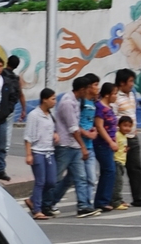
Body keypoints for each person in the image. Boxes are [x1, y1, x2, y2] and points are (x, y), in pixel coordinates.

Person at [52, 73, 96, 215]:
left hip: (74, 146)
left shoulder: (77, 101)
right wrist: (83, 147)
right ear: (81, 89)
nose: (88, 91)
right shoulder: (67, 102)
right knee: (56, 178)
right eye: (87, 89)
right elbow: (73, 128)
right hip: (65, 146)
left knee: (78, 177)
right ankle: (41, 202)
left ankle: (83, 206)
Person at [111, 67, 141, 206]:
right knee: (119, 169)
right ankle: (116, 199)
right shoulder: (114, 97)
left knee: (136, 168)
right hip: (121, 138)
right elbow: (112, 118)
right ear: (122, 83)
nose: (132, 84)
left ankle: (139, 198)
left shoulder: (131, 95)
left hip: (132, 136)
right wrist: (118, 137)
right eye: (130, 81)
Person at [23, 87, 58, 218]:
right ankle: (37, 210)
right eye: (52, 99)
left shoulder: (49, 116)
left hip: (49, 151)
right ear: (44, 99)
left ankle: (32, 200)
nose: (54, 102)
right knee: (40, 181)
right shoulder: (34, 115)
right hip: (37, 152)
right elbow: (28, 136)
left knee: (52, 181)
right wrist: (28, 154)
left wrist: (55, 135)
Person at [91, 80, 118, 213]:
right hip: (102, 144)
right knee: (109, 171)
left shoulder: (109, 108)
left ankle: (102, 200)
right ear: (107, 95)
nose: (116, 96)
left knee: (108, 171)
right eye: (114, 93)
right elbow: (100, 127)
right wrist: (110, 142)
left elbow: (113, 127)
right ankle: (102, 201)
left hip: (109, 144)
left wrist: (115, 141)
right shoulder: (100, 108)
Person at [112, 113, 136, 209]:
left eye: (129, 126)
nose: (127, 128)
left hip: (122, 162)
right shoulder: (117, 135)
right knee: (118, 183)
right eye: (125, 125)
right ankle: (116, 202)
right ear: (119, 125)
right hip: (116, 161)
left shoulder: (124, 136)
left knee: (118, 182)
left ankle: (117, 199)